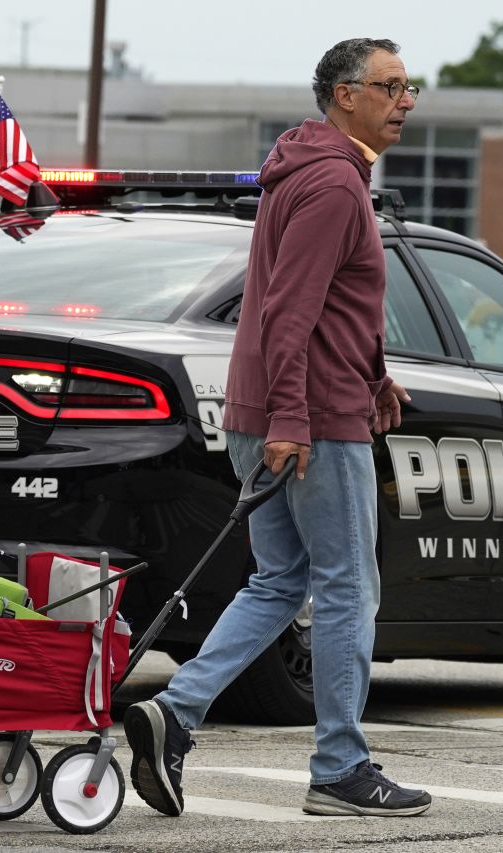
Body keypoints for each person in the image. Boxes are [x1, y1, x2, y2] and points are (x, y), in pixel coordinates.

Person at [125, 38, 431, 818]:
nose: (406, 101)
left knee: (279, 581)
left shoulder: (312, 172)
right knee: (347, 590)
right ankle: (339, 768)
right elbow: (288, 310)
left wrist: (372, 375)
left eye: (410, 86)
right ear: (343, 95)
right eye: (390, 86)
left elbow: (324, 307)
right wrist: (301, 416)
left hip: (278, 412)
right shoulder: (333, 185)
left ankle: (176, 710)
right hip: (311, 425)